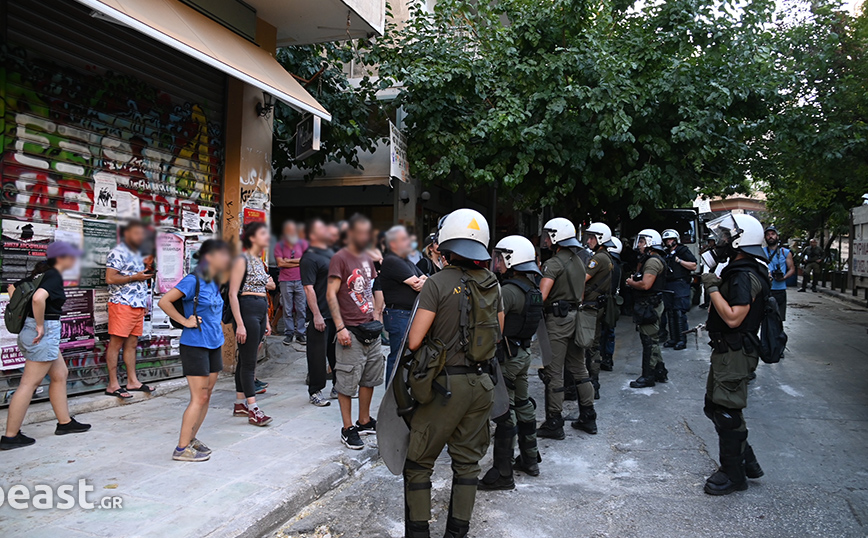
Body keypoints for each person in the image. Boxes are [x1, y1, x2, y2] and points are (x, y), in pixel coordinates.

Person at [403, 208, 503, 538]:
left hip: (444, 387)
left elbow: (414, 340)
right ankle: (457, 533)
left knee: (419, 463)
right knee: (468, 464)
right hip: (482, 384)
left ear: (445, 243)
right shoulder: (492, 283)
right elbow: (498, 333)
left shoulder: (436, 283)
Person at [699, 212, 769, 495]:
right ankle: (745, 461)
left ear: (741, 241)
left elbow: (733, 317)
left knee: (727, 412)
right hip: (727, 350)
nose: (721, 241)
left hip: (736, 350)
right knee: (715, 407)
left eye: (727, 236)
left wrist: (711, 286)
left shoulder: (744, 275)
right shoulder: (742, 269)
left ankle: (734, 474)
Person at [1, 242, 91, 450]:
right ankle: (10, 437)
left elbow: (12, 288)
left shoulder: (39, 274)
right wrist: (39, 324)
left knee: (60, 374)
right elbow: (38, 298)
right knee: (28, 384)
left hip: (34, 332)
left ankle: (65, 423)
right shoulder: (54, 275)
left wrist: (27, 317)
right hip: (43, 332)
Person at [158, 240, 231, 462]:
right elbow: (164, 302)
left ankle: (191, 438)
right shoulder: (193, 280)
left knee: (207, 395)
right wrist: (185, 321)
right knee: (198, 397)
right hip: (195, 344)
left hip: (214, 343)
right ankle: (181, 448)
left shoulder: (216, 281)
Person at [479, 235, 542, 491]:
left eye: (501, 257)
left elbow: (494, 326)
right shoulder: (532, 288)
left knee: (504, 412)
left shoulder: (508, 291)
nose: (497, 263)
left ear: (512, 259)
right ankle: (530, 459)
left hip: (507, 357)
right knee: (523, 404)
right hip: (523, 354)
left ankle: (503, 473)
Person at [327, 214, 384, 450]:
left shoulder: (366, 258)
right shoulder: (340, 258)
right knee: (347, 381)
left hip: (370, 328)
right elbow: (331, 294)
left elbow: (373, 287)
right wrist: (340, 327)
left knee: (369, 378)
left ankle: (364, 420)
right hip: (350, 329)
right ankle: (347, 427)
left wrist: (377, 314)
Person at [536, 217, 596, 440]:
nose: (546, 240)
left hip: (557, 320)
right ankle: (588, 416)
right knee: (579, 368)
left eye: (549, 236)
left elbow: (541, 296)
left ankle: (554, 422)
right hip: (575, 317)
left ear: (557, 237)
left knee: (554, 372)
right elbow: (581, 294)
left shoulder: (553, 263)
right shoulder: (579, 261)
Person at [229, 221, 276, 426]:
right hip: (246, 310)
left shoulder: (258, 260)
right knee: (249, 363)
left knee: (245, 361)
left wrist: (266, 320)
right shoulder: (242, 260)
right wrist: (239, 323)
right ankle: (253, 409)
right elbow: (232, 294)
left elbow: (270, 287)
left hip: (259, 309)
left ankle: (240, 404)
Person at [104, 221, 156, 399]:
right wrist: (135, 277)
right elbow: (110, 278)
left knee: (132, 344)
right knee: (116, 344)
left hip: (137, 304)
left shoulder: (140, 254)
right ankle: (113, 384)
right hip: (122, 303)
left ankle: (132, 381)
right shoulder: (118, 252)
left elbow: (142, 278)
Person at [379, 225, 426, 382]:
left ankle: (400, 391)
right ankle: (391, 392)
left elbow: (426, 279)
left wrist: (423, 281)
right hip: (399, 315)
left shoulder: (407, 262)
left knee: (406, 357)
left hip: (408, 314)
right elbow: (416, 284)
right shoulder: (392, 260)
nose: (409, 242)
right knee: (398, 358)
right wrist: (423, 281)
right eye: (404, 239)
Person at [624, 229, 668, 388]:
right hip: (649, 304)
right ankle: (659, 370)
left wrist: (631, 283)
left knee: (648, 340)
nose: (639, 245)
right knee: (651, 339)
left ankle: (648, 376)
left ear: (650, 243)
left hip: (649, 305)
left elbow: (645, 284)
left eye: (642, 242)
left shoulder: (653, 261)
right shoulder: (650, 260)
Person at [300, 218, 337, 407]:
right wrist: (316, 314)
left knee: (337, 354)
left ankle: (338, 387)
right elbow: (308, 288)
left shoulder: (332, 254)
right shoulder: (309, 258)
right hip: (320, 314)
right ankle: (315, 391)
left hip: (336, 313)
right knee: (317, 355)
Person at [581, 222, 615, 400]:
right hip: (598, 306)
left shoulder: (599, 258)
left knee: (590, 346)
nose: (588, 241)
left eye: (592, 238)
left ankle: (592, 384)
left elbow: (582, 279)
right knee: (593, 344)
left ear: (600, 239)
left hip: (591, 307)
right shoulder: (606, 256)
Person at [661, 229, 698, 351]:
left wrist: (680, 261)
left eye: (671, 239)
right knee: (670, 312)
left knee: (679, 313)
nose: (668, 242)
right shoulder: (665, 253)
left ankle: (682, 339)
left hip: (680, 284)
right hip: (668, 284)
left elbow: (693, 265)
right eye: (666, 240)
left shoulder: (683, 250)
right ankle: (673, 338)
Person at [275, 221, 308, 345]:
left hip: (300, 279)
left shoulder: (303, 244)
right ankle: (289, 333)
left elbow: (305, 260)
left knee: (301, 308)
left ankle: (300, 334)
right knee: (287, 309)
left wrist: (288, 261)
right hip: (285, 280)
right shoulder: (279, 245)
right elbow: (280, 263)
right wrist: (297, 262)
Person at [599, 237, 623, 372]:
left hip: (604, 300)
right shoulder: (618, 266)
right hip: (613, 301)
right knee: (610, 331)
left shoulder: (608, 264)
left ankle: (601, 357)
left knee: (601, 330)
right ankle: (608, 358)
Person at [762, 225, 794, 321]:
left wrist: (784, 277)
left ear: (777, 236)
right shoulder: (761, 252)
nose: (770, 236)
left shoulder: (785, 252)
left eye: (773, 234)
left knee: (778, 319)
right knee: (764, 319)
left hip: (779, 290)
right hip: (765, 289)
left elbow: (792, 269)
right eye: (768, 235)